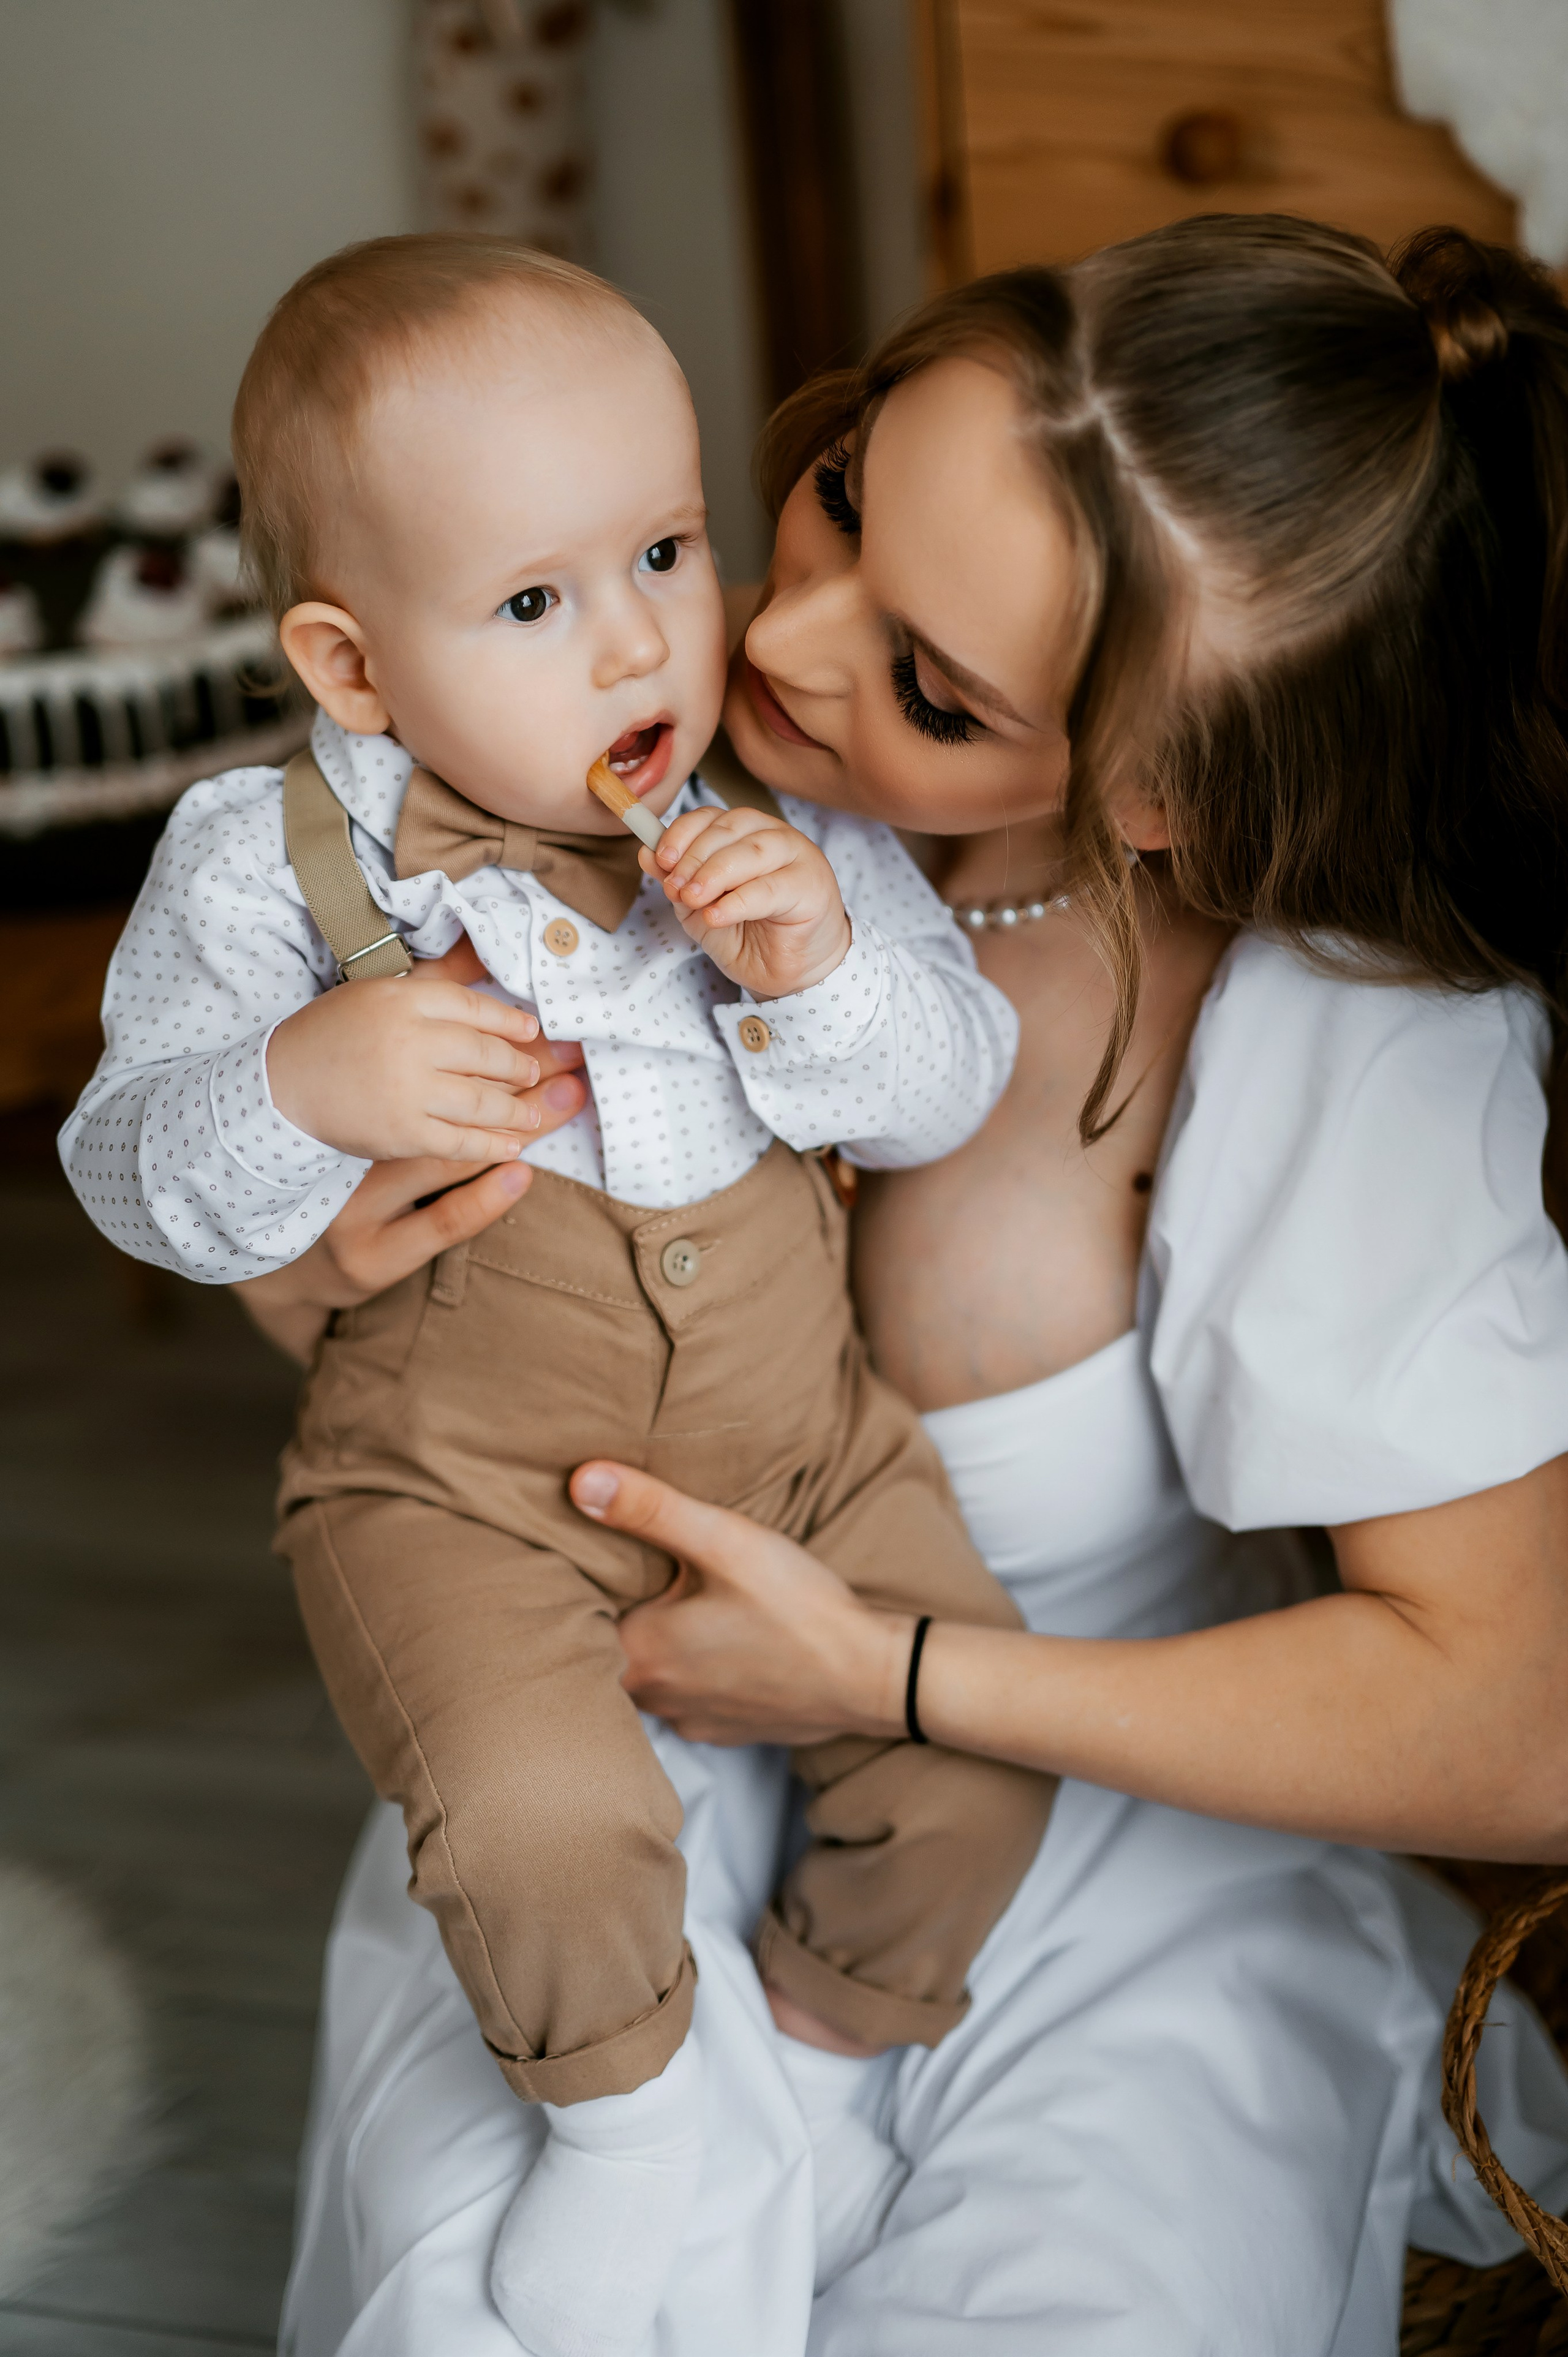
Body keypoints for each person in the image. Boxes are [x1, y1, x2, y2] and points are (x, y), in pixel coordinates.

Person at [258, 216, 1568, 2357]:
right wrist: (318, 1245)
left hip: (1108, 1842)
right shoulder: (566, 778)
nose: (782, 640)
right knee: (499, 2314)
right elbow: (409, 1370)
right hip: (591, 1789)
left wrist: (890, 1678)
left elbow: (1521, 1726)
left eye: (936, 691)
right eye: (848, 487)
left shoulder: (1328, 1033)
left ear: (1155, 791)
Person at [58, 234, 1050, 2357]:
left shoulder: (782, 820)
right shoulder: (269, 873)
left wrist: (818, 977)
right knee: (530, 1826)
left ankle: (833, 2045)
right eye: (533, 604)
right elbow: (132, 1174)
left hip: (801, 1448)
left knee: (973, 1758)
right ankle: (625, 2126)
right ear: (349, 668)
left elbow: (943, 1092)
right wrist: (304, 1080)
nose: (641, 648)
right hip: (456, 1482)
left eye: (667, 549)